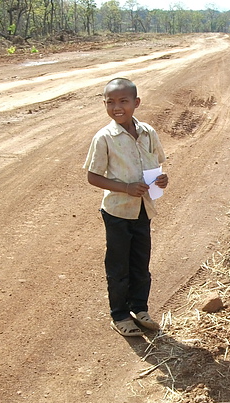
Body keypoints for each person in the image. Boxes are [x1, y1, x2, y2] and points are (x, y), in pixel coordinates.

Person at [83, 78, 169, 337]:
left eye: (123, 101)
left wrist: (161, 180)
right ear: (105, 104)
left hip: (143, 209)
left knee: (141, 262)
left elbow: (157, 165)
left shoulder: (148, 133)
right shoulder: (104, 138)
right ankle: (119, 314)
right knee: (119, 265)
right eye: (111, 102)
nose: (117, 107)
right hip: (117, 211)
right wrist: (126, 188)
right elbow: (93, 177)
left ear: (136, 103)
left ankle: (140, 308)